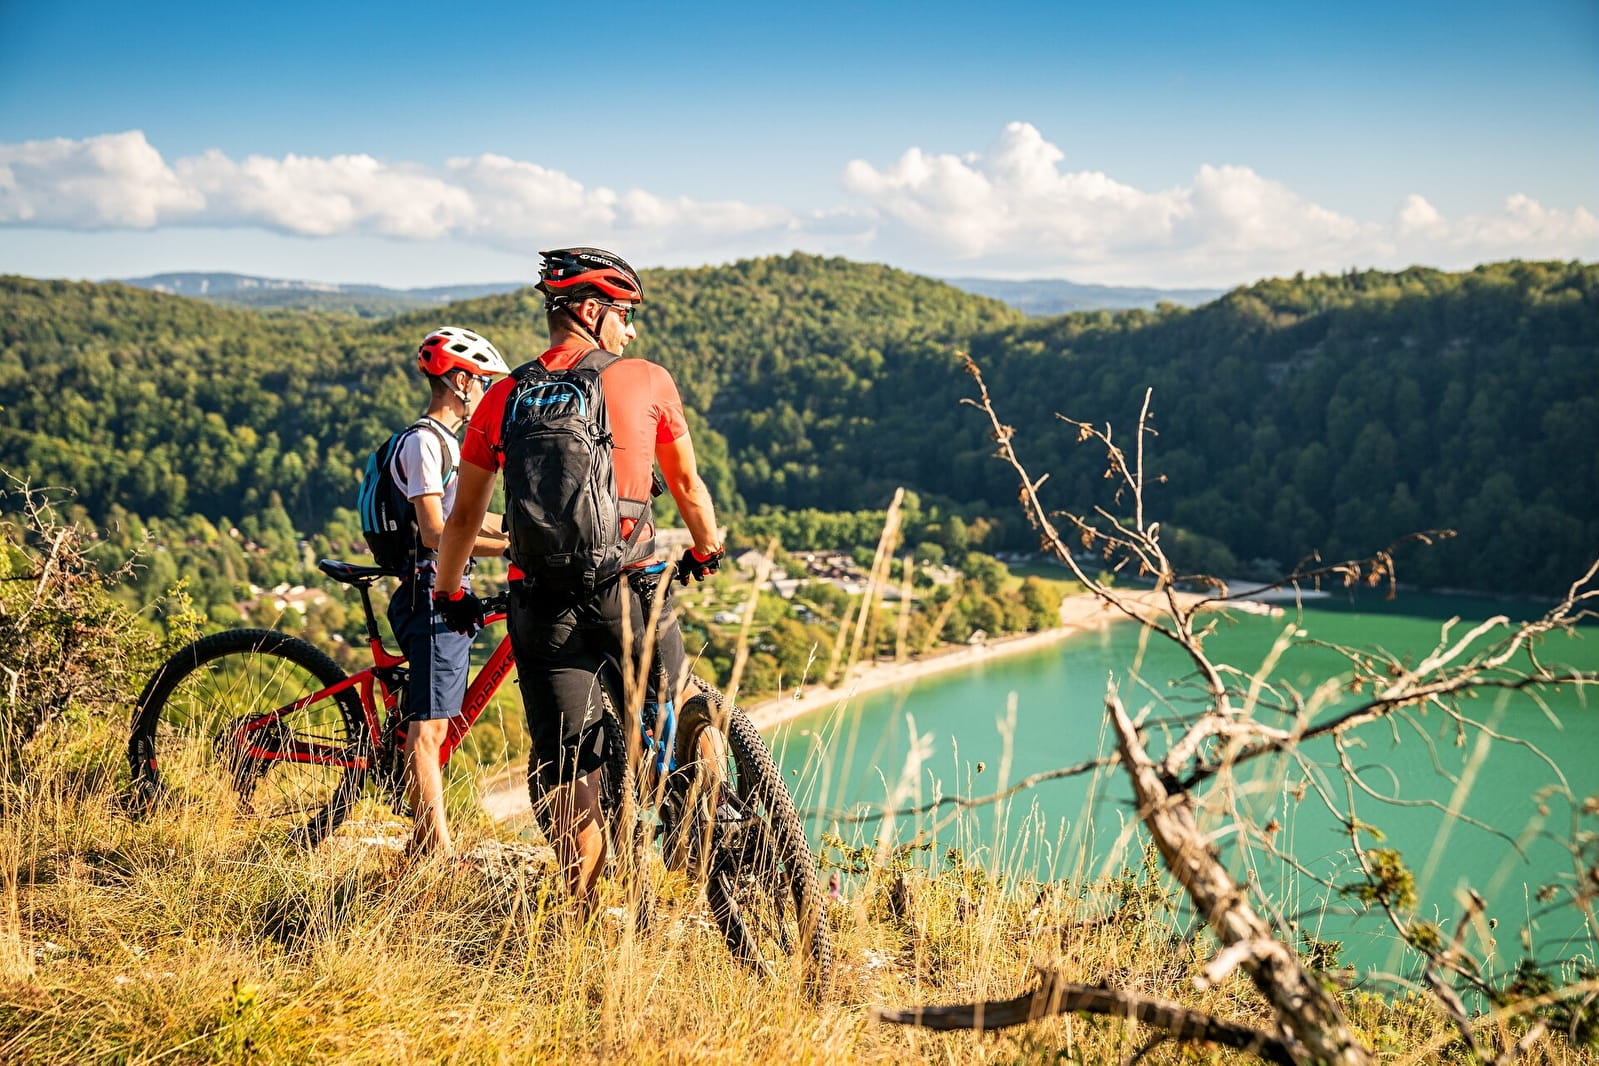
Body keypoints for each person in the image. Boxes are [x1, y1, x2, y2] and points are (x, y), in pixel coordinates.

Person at [431, 248, 723, 913]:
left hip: (543, 606)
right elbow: (685, 485)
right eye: (623, 315)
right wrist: (706, 550)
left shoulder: (501, 397)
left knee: (568, 772)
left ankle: (587, 920)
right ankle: (703, 832)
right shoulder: (647, 379)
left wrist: (449, 593)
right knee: (679, 702)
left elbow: (464, 517)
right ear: (592, 311)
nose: (630, 330)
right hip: (632, 591)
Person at [387, 326, 510, 860]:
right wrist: (504, 550)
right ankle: (434, 855)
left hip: (443, 585)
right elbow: (438, 532)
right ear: (461, 381)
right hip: (428, 591)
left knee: (432, 721)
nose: (487, 392)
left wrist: (528, 529)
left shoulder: (450, 445)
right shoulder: (424, 443)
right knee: (430, 732)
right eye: (483, 382)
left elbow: (471, 519)